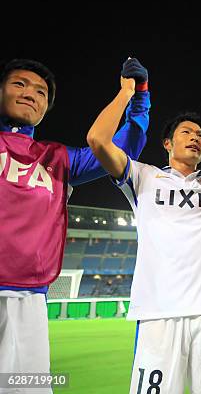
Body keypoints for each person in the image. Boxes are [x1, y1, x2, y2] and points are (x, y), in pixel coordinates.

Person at [87, 77, 201, 393]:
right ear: (167, 143)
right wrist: (128, 91)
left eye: (200, 135)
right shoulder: (142, 176)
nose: (195, 138)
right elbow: (98, 140)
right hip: (157, 314)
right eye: (186, 132)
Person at [0, 58, 149, 392]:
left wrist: (136, 98)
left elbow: (120, 148)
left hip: (29, 301)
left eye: (41, 92)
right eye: (19, 84)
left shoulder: (57, 159)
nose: (30, 94)